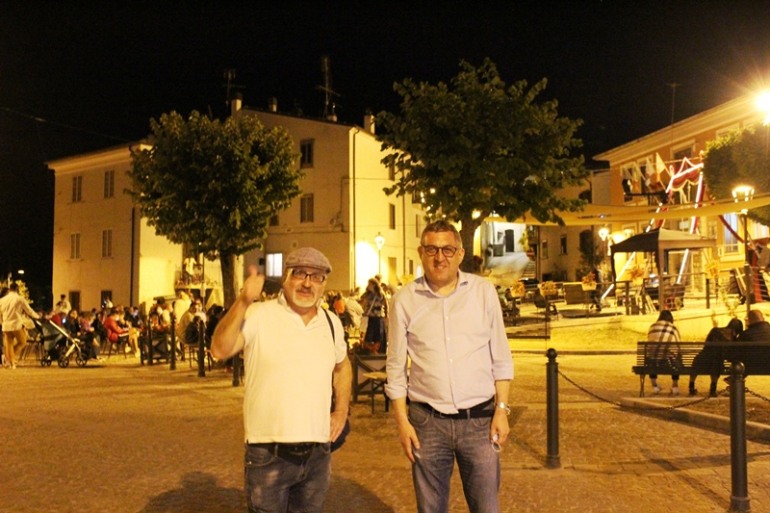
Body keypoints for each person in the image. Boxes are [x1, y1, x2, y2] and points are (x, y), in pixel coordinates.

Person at [386, 220, 513, 513]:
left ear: (459, 253)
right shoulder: (404, 300)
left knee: (486, 507)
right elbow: (395, 368)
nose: (439, 257)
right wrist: (402, 422)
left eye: (447, 249)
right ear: (421, 252)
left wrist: (502, 410)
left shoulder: (483, 292)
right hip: (427, 423)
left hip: (479, 421)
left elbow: (501, 358)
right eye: (432, 249)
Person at [211, 247, 351, 513]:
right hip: (268, 453)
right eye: (299, 274)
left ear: (324, 284)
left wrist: (341, 411)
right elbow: (219, 349)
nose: (307, 283)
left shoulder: (332, 322)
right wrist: (243, 301)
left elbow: (342, 368)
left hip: (317, 455)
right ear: (286, 277)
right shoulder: (258, 315)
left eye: (316, 276)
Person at [688, 316, 743, 397]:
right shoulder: (733, 340)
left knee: (699, 360)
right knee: (717, 362)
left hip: (702, 359)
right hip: (716, 363)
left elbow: (706, 345)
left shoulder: (715, 330)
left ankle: (691, 386)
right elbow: (729, 355)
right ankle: (713, 389)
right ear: (736, 331)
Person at [0, 283, 40, 369]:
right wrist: (37, 316)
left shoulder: (2, 300)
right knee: (22, 342)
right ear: (17, 289)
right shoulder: (20, 299)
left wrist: (1, 320)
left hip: (6, 324)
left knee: (9, 344)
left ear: (10, 289)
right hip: (16, 324)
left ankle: (11, 362)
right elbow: (29, 310)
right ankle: (11, 359)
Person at [647, 309, 682, 395]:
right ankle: (675, 386)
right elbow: (678, 346)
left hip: (654, 362)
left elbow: (650, 343)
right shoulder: (673, 328)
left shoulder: (652, 327)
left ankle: (654, 386)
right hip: (669, 363)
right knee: (677, 356)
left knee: (653, 355)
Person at [360, 277, 388, 354]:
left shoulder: (380, 295)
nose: (368, 285)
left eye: (370, 284)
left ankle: (380, 351)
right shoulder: (367, 295)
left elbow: (385, 305)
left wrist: (386, 316)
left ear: (374, 285)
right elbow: (362, 301)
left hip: (379, 318)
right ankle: (369, 351)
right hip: (371, 317)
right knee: (370, 335)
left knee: (379, 335)